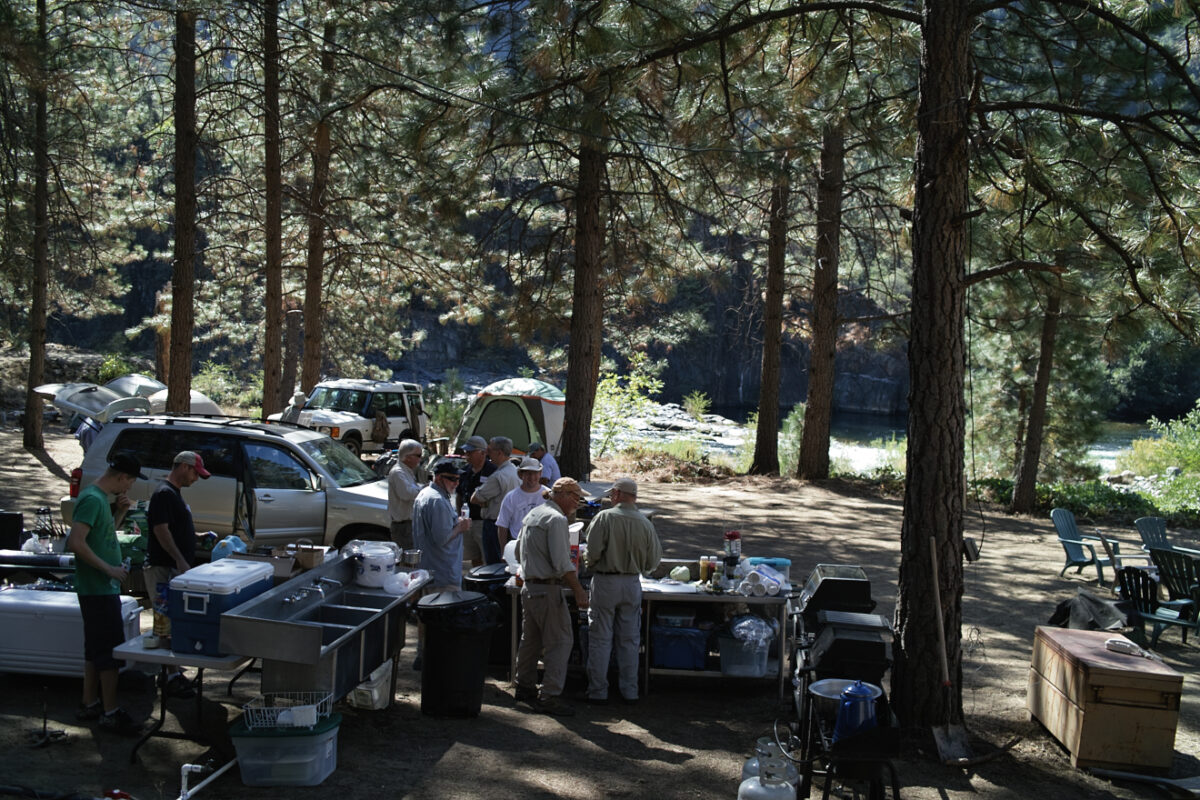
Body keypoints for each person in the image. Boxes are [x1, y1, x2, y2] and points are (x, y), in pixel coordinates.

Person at [66, 453, 146, 736]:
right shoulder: (92, 498)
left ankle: (90, 702)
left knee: (95, 650)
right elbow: (75, 542)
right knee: (110, 653)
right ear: (121, 476)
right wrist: (109, 570)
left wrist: (120, 513)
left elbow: (103, 535)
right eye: (131, 481)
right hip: (97, 589)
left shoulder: (102, 501)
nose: (130, 487)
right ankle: (111, 713)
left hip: (100, 588)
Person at [513, 478, 590, 717]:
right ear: (564, 495)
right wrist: (578, 590)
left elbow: (517, 551)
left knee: (531, 641)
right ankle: (549, 695)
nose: (577, 504)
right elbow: (561, 563)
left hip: (529, 588)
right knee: (560, 642)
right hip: (547, 589)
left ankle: (524, 686)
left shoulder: (534, 514)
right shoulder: (556, 520)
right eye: (576, 499)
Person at [584, 476, 662, 705]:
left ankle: (598, 691)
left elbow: (593, 552)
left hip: (606, 581)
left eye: (611, 494)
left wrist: (591, 564)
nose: (610, 497)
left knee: (600, 638)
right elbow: (653, 561)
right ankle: (630, 690)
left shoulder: (604, 518)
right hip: (631, 584)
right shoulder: (645, 523)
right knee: (629, 640)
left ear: (617, 494)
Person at [143, 450, 211, 697]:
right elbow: (161, 530)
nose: (195, 479)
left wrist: (196, 537)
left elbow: (174, 526)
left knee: (171, 619)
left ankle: (173, 672)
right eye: (195, 473)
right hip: (162, 567)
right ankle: (170, 676)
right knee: (164, 622)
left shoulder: (174, 494)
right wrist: (180, 560)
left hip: (171, 566)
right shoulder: (163, 494)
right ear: (183, 467)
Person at [412, 460, 470, 592]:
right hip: (443, 575)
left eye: (458, 479)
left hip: (432, 571)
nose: (456, 483)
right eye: (452, 479)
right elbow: (442, 538)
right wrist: (460, 527)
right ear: (438, 478)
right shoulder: (437, 500)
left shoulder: (426, 493)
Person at [471, 436, 519, 565]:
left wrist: (485, 502)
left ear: (499, 453)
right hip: (511, 524)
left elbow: (475, 498)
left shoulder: (498, 476)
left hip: (494, 525)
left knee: (494, 565)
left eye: (489, 450)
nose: (487, 453)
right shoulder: (514, 471)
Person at [455, 436, 494, 567]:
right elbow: (459, 494)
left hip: (484, 522)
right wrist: (459, 515)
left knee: (487, 557)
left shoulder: (492, 471)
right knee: (473, 556)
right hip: (468, 521)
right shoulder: (465, 471)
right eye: (466, 452)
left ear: (482, 453)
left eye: (470, 452)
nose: (467, 455)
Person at [495, 457, 545, 553]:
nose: (532, 477)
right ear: (521, 474)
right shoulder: (511, 497)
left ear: (540, 474)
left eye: (535, 473)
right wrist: (504, 551)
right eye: (528, 473)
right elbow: (502, 526)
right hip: (517, 545)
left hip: (542, 545)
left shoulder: (548, 495)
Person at [387, 439, 424, 548]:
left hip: (409, 524)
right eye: (418, 455)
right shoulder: (398, 472)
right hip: (403, 527)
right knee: (407, 561)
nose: (420, 459)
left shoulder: (406, 471)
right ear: (408, 457)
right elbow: (406, 494)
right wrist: (425, 490)